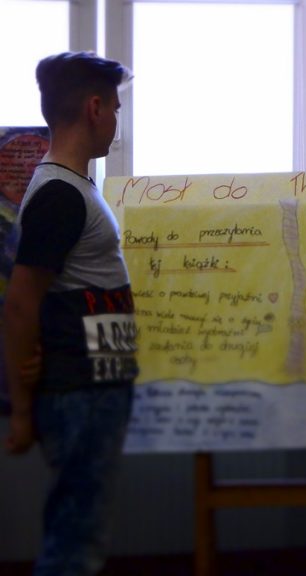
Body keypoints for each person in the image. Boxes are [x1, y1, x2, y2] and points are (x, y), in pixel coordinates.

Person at [3, 51, 138, 576]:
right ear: (95, 108)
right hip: (80, 392)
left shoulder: (74, 188)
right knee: (76, 543)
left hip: (94, 388)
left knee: (81, 534)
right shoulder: (60, 194)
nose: (117, 121)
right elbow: (21, 304)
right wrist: (21, 410)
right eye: (117, 109)